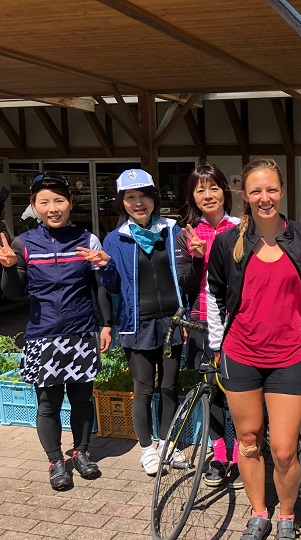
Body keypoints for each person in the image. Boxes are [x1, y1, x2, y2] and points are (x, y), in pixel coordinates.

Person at [206, 158, 301, 540]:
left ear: (282, 191)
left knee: (283, 450)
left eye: (271, 190)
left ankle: (286, 515)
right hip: (240, 353)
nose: (265, 198)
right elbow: (214, 295)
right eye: (256, 191)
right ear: (244, 196)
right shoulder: (228, 241)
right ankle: (259, 512)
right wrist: (218, 345)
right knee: (248, 443)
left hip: (288, 355)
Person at [0, 173, 112, 490]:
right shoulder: (24, 244)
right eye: (44, 202)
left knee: (82, 400)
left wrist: (106, 324)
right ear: (34, 206)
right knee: (48, 404)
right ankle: (55, 461)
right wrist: (8, 267)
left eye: (59, 200)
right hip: (42, 335)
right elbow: (12, 293)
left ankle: (81, 452)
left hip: (80, 333)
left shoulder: (87, 240)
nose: (53, 208)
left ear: (70, 204)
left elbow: (100, 288)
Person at [98, 169, 186, 476]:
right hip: (136, 323)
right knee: (144, 389)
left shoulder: (173, 231)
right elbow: (109, 286)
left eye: (144, 196)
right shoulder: (115, 239)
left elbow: (186, 275)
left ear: (154, 198)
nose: (139, 203)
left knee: (170, 386)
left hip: (172, 322)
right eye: (130, 197)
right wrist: (107, 322)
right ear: (122, 202)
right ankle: (147, 449)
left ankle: (168, 445)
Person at [175, 163, 242, 489]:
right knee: (212, 393)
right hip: (203, 324)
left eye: (213, 187)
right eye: (200, 190)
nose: (207, 195)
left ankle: (244, 453)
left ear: (224, 191)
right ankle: (219, 456)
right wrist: (198, 258)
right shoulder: (187, 232)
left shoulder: (242, 228)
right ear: (193, 196)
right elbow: (185, 285)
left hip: (238, 323)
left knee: (243, 393)